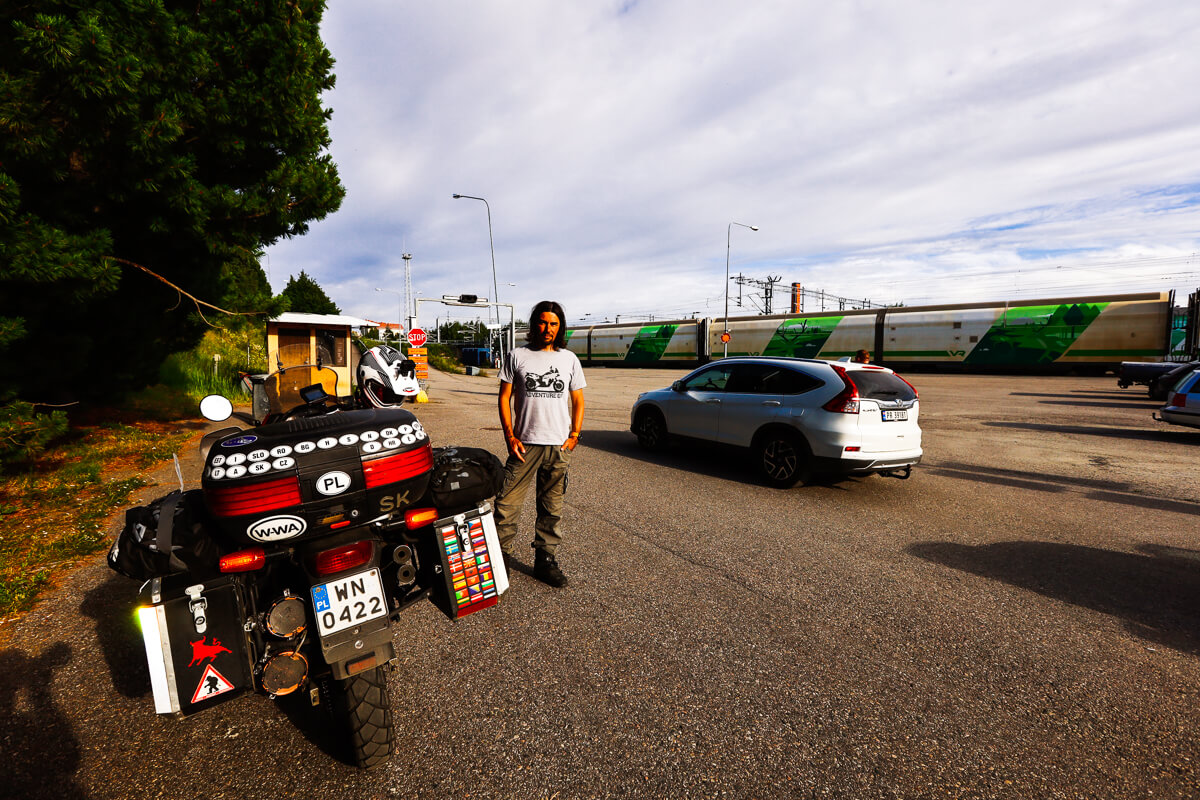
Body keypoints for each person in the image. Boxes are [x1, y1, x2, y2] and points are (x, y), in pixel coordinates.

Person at [494, 300, 586, 587]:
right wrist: (509, 436)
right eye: (544, 322)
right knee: (506, 505)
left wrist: (574, 436)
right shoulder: (517, 355)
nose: (548, 328)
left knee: (551, 507)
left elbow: (578, 400)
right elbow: (504, 398)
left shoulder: (569, 359)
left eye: (554, 324)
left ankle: (545, 560)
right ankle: (501, 560)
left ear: (560, 327)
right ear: (535, 324)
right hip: (525, 445)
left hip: (558, 446)